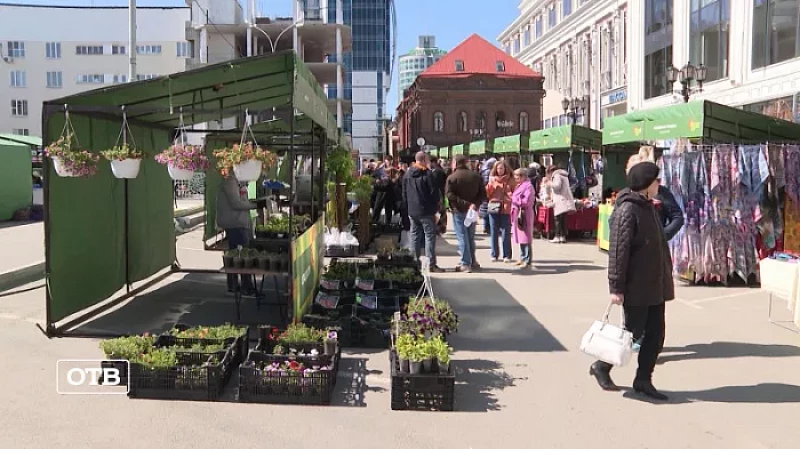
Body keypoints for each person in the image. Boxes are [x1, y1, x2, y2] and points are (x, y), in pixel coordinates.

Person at [589, 161, 674, 401]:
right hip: (637, 285)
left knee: (656, 334)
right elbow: (618, 252)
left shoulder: (648, 206)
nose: (660, 184)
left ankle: (643, 380)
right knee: (632, 333)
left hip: (654, 283)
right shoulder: (628, 209)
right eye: (657, 180)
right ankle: (602, 366)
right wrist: (616, 287)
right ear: (647, 184)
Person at [217, 172, 259, 296]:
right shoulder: (230, 181)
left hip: (237, 223)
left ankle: (234, 285)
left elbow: (240, 200)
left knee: (234, 254)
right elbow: (236, 203)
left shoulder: (237, 182)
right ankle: (245, 286)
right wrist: (254, 205)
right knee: (242, 255)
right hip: (235, 223)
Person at [403, 152, 443, 272]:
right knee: (429, 237)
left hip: (412, 211)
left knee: (415, 236)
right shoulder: (427, 174)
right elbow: (434, 193)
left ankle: (415, 262)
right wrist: (436, 208)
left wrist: (407, 208)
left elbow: (404, 193)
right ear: (424, 160)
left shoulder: (407, 174)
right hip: (426, 210)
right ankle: (431, 264)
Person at [446, 155, 487, 273]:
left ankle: (465, 263)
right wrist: (475, 204)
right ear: (466, 162)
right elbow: (483, 194)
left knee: (462, 236)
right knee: (470, 236)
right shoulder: (475, 176)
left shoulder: (452, 177)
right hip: (472, 210)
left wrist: (463, 203)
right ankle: (472, 260)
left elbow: (449, 194)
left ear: (455, 163)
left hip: (459, 210)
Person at [486, 160, 515, 263]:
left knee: (506, 232)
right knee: (493, 231)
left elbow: (514, 192)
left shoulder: (511, 179)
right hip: (493, 205)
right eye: (498, 168)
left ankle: (507, 255)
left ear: (505, 168)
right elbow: (487, 194)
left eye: (502, 168)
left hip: (506, 206)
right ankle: (494, 254)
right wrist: (490, 186)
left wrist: (509, 195)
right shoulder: (492, 179)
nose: (500, 170)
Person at [543, 164, 576, 243]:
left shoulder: (557, 176)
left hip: (560, 200)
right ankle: (562, 236)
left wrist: (550, 183)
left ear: (551, 171)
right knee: (563, 219)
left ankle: (557, 236)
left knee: (557, 219)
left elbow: (557, 186)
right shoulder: (564, 175)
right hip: (565, 199)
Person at [511, 168, 535, 268]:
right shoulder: (519, 185)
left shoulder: (528, 186)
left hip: (525, 213)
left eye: (517, 176)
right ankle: (522, 257)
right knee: (521, 236)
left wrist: (515, 199)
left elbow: (526, 201)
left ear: (523, 177)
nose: (515, 178)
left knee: (526, 236)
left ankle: (527, 259)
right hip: (518, 213)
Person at [429, 156, 447, 234]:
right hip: (440, 193)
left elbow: (435, 185)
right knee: (441, 212)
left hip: (439, 194)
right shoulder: (439, 170)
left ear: (433, 162)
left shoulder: (437, 172)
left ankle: (440, 228)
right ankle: (440, 228)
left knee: (439, 212)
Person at [479, 158, 496, 235]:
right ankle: (489, 227)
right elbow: (487, 182)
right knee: (490, 210)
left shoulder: (483, 169)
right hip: (489, 192)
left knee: (486, 209)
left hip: (485, 192)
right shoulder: (489, 171)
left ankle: (487, 227)